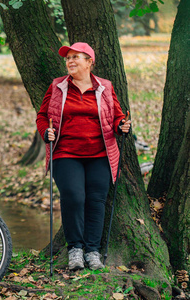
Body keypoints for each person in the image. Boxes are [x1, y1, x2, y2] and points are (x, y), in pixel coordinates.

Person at [36, 42, 131, 271]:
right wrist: (45, 132)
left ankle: (93, 251)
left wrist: (121, 126)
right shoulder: (57, 86)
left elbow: (116, 117)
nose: (70, 61)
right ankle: (75, 250)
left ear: (90, 62)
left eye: (76, 57)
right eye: (68, 57)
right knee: (74, 198)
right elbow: (42, 115)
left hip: (100, 154)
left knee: (96, 202)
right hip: (66, 152)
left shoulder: (105, 87)